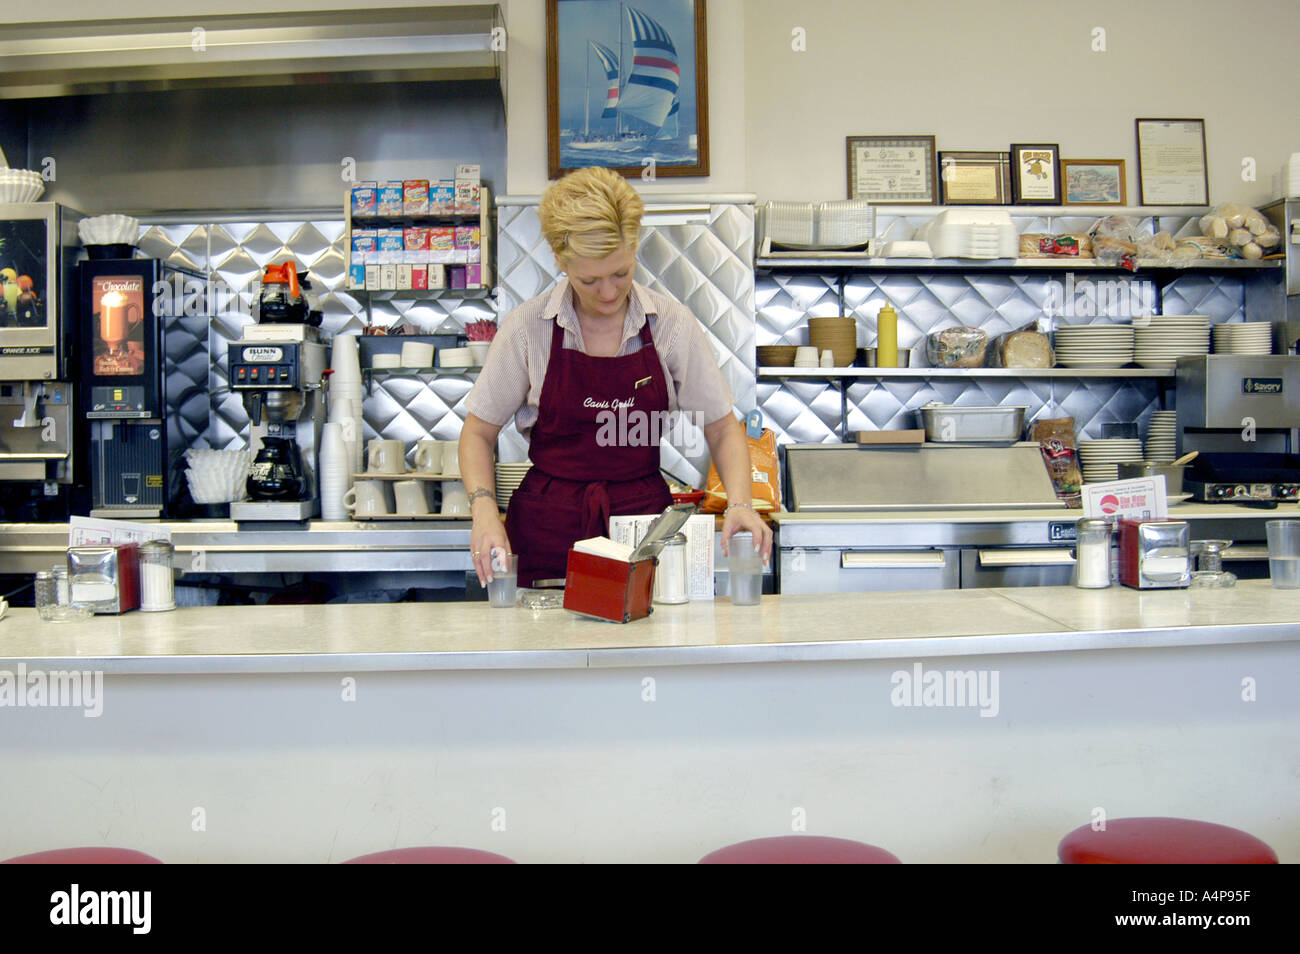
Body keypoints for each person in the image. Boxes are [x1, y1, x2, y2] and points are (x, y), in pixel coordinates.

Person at [460, 166, 772, 587]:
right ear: (559, 260)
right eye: (589, 279)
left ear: (635, 248)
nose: (608, 293)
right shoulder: (527, 327)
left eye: (620, 274)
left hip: (643, 527)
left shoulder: (671, 325)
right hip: (547, 528)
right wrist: (483, 511)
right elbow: (477, 433)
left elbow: (721, 429)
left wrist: (741, 503)